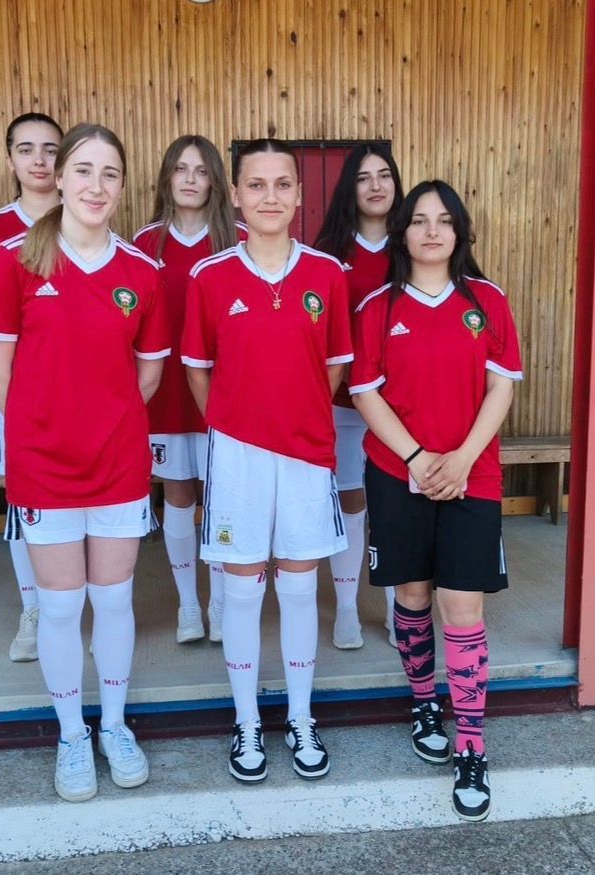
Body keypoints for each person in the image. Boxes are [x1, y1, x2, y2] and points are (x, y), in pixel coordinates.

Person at [0, 123, 169, 803]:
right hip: (44, 467)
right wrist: (45, 425)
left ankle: (113, 725)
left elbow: (147, 375)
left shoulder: (141, 272)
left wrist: (102, 423)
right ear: (59, 177)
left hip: (117, 462)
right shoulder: (14, 261)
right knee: (60, 608)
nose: (95, 185)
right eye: (83, 169)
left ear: (122, 185)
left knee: (113, 599)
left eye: (109, 173)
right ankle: (71, 735)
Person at [350, 180, 523, 822]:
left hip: (472, 476)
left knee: (463, 605)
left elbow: (501, 388)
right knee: (414, 594)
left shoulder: (487, 301)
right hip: (399, 473)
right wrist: (419, 460)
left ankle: (472, 743)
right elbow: (365, 391)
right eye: (419, 220)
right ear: (402, 232)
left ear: (459, 232)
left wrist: (462, 460)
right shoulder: (378, 306)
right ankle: (424, 700)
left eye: (444, 220)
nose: (431, 231)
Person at [183, 138, 352, 783]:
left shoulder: (327, 275)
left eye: (283, 184)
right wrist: (239, 422)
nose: (270, 196)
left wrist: (293, 413)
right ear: (236, 195)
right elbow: (199, 370)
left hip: (305, 455)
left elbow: (333, 367)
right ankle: (248, 720)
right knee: (242, 591)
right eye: (256, 185)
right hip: (237, 458)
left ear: (300, 195)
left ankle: (301, 717)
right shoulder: (210, 277)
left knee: (300, 590)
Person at [132, 135, 241, 645]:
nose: (191, 179)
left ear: (216, 180)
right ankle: (189, 605)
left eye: (201, 170)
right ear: (167, 178)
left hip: (224, 390)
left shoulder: (238, 237)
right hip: (167, 390)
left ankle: (220, 602)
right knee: (177, 494)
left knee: (220, 496)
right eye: (181, 169)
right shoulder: (144, 242)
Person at [0, 112, 63, 662]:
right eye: (26, 149)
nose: (40, 160)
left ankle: (74, 608)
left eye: (50, 149)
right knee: (28, 503)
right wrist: (16, 405)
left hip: (82, 397)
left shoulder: (88, 218)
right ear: (10, 160)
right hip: (21, 396)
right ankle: (34, 610)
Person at [314, 143, 404, 650]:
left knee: (393, 505)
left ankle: (397, 611)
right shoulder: (328, 252)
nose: (375, 185)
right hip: (344, 403)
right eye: (364, 177)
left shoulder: (412, 243)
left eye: (384, 175)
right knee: (350, 500)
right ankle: (346, 608)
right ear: (350, 186)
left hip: (402, 406)